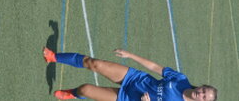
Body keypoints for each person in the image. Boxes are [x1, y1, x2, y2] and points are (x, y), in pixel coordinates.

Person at [42, 47, 217, 101]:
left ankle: (74, 94)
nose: (201, 94)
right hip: (135, 79)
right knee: (95, 64)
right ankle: (54, 57)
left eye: (204, 98)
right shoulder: (181, 79)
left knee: (85, 89)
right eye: (204, 91)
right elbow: (155, 67)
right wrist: (131, 55)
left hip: (129, 98)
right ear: (202, 86)